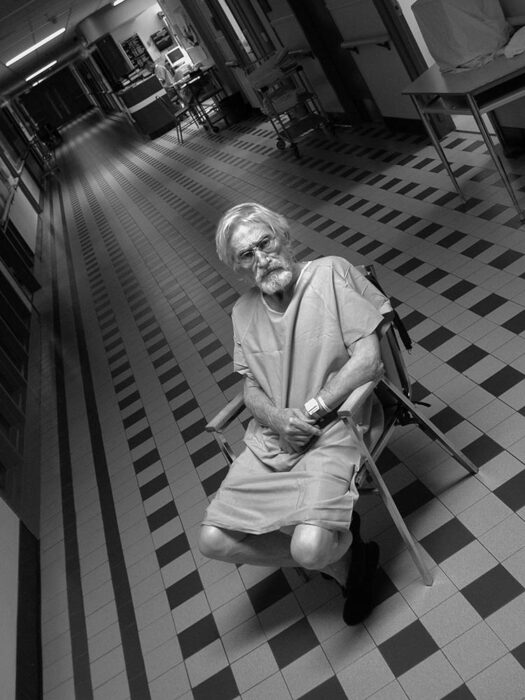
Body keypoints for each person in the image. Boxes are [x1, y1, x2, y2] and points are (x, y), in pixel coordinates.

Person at [199, 203, 391, 624]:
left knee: (308, 549)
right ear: (238, 266)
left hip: (337, 427)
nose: (261, 258)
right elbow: (250, 387)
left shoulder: (329, 273)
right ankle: (349, 563)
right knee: (212, 541)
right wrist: (277, 420)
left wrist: (309, 410)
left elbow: (368, 361)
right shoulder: (243, 311)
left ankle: (332, 556)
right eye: (247, 254)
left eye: (265, 243)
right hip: (275, 437)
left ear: (284, 238)